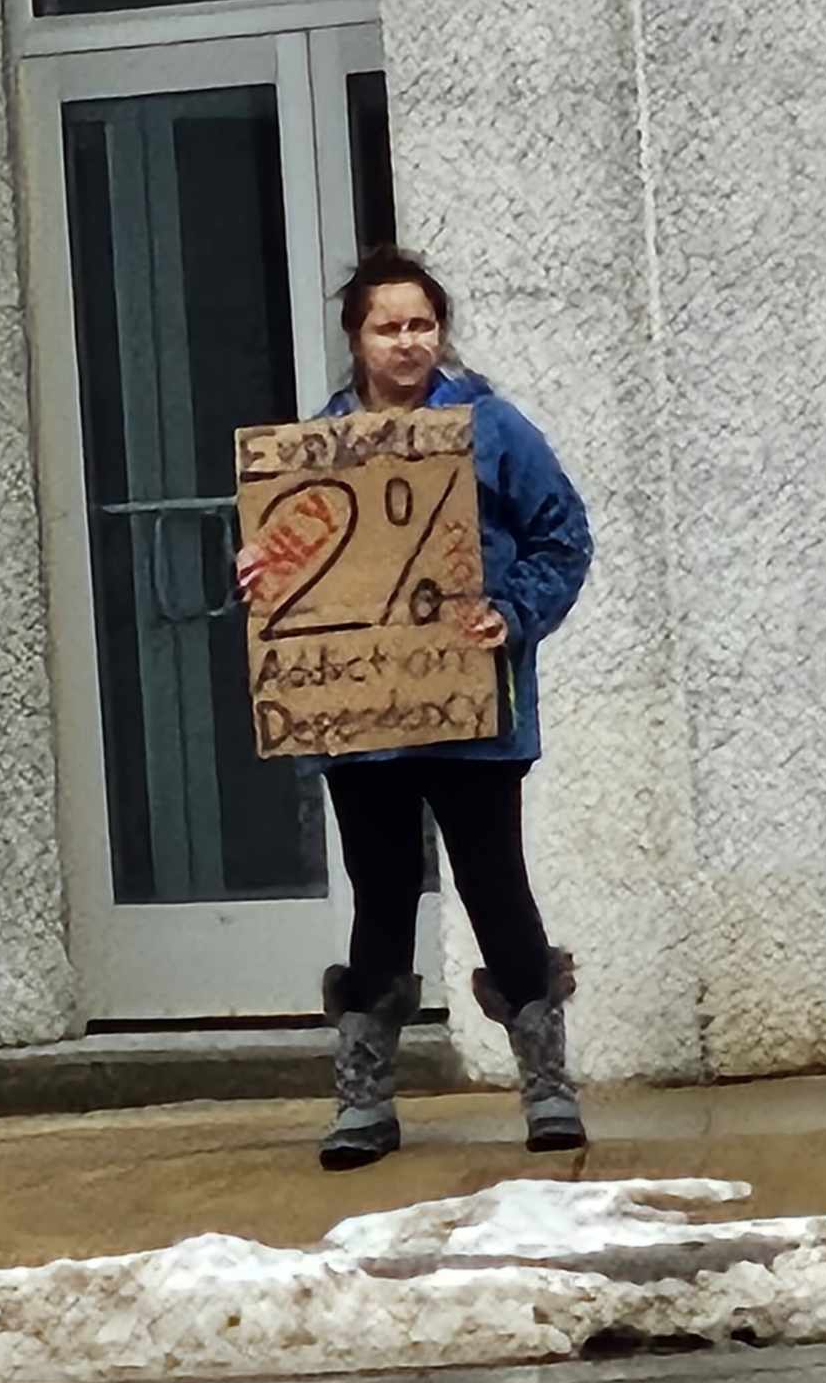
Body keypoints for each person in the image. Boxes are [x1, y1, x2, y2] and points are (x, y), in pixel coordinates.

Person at [238, 246, 593, 1171]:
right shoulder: (314, 450)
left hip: (474, 715)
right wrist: (260, 576)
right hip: (364, 731)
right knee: (382, 896)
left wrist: (511, 615)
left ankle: (547, 1085)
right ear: (356, 339)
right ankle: (364, 1098)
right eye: (389, 326)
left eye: (422, 324)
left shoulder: (492, 428)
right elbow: (295, 564)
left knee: (496, 887)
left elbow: (564, 534)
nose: (408, 341)